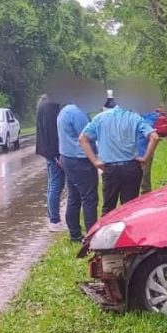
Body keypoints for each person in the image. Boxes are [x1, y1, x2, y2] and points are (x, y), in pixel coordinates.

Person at [79, 102, 160, 215]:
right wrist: (145, 158)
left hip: (110, 169)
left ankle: (106, 231)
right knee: (129, 209)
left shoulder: (100, 118)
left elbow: (82, 139)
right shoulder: (134, 117)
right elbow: (154, 137)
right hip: (131, 168)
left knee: (108, 208)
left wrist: (95, 161)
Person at [57, 103, 97, 242]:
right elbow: (88, 136)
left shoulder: (65, 111)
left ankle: (75, 234)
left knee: (74, 197)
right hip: (80, 160)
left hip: (67, 158)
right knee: (89, 198)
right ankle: (92, 236)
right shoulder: (78, 113)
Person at [35, 94, 64, 232]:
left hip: (48, 151)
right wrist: (56, 155)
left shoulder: (44, 102)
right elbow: (52, 131)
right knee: (56, 185)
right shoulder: (51, 106)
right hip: (53, 152)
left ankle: (52, 216)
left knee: (52, 183)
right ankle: (54, 220)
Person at [138, 106, 162, 194]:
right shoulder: (128, 115)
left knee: (145, 184)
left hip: (145, 152)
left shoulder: (152, 115)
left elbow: (158, 134)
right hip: (128, 154)